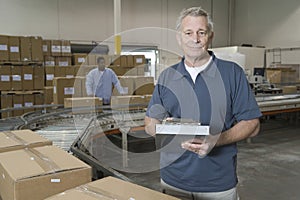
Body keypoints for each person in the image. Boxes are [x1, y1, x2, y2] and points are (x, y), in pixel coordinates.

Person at [144, 7, 262, 200]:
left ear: (210, 36)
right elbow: (150, 121)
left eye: (201, 32)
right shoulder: (167, 76)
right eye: (188, 33)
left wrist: (216, 140)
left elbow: (252, 124)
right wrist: (161, 129)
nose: (195, 39)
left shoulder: (232, 73)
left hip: (217, 184)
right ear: (179, 37)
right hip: (172, 180)